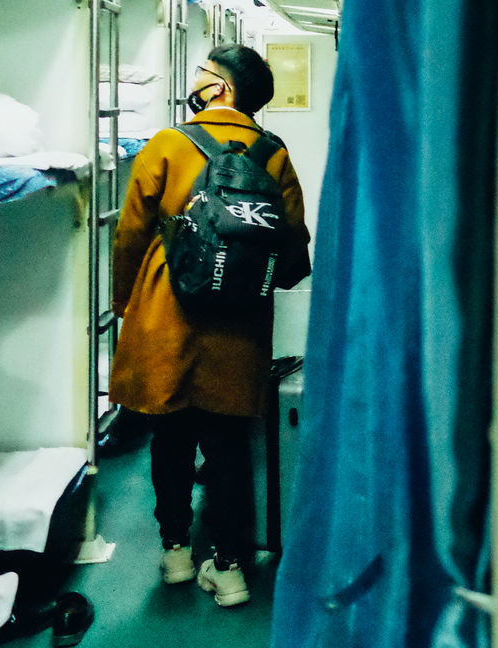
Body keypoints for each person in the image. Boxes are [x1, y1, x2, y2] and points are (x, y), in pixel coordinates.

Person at [110, 44, 311, 608]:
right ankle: (229, 569)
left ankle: (176, 554)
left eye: (202, 73)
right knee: (226, 449)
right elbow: (294, 246)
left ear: (219, 88)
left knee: (169, 440)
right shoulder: (273, 154)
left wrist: (127, 303)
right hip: (238, 326)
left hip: (165, 313)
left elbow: (129, 233)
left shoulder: (168, 144)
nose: (194, 81)